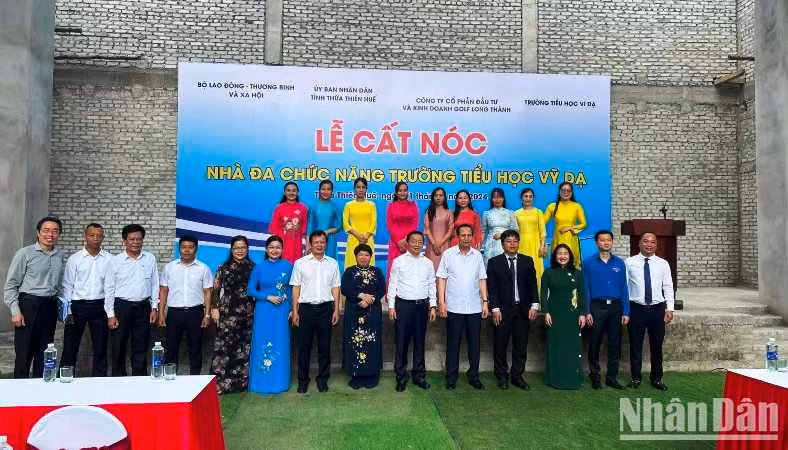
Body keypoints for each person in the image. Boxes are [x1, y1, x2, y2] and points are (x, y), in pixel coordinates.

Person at [4, 216, 65, 378]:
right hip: (28, 307)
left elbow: (58, 286)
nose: (50, 234)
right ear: (38, 233)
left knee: (45, 354)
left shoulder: (59, 255)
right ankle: (20, 395)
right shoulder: (25, 254)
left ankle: (41, 394)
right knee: (24, 354)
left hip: (49, 308)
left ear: (59, 234)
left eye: (55, 231)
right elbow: (11, 286)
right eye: (46, 230)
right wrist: (15, 311)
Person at [437, 224, 489, 390]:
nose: (466, 238)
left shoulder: (477, 256)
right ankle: (451, 376)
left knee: (474, 344)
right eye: (463, 235)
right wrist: (442, 302)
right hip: (453, 307)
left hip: (474, 307)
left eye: (469, 235)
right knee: (453, 344)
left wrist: (485, 302)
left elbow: (482, 279)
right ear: (457, 237)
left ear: (473, 237)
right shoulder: (448, 254)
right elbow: (442, 279)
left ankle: (473, 375)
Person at [486, 230, 539, 390]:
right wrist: (494, 308)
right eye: (508, 241)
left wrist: (534, 305)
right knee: (500, 344)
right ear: (502, 244)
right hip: (502, 311)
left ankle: (517, 376)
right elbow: (492, 288)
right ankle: (502, 376)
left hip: (522, 310)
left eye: (515, 241)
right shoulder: (494, 262)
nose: (512, 244)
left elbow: (532, 285)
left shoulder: (527, 261)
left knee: (521, 345)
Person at [105, 224, 159, 376]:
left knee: (141, 346)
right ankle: (118, 380)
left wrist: (154, 307)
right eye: (132, 239)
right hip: (122, 307)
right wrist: (110, 314)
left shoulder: (150, 258)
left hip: (143, 307)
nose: (136, 242)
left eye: (139, 239)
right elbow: (109, 288)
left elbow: (155, 283)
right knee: (118, 346)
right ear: (124, 240)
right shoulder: (115, 261)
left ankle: (139, 380)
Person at [290, 230, 341, 393]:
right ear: (310, 245)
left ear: (326, 244)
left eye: (322, 242)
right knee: (304, 347)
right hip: (305, 309)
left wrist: (337, 309)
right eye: (316, 242)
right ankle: (303, 381)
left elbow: (336, 287)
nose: (319, 245)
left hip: (326, 309)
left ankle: (322, 379)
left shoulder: (332, 263)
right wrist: (295, 311)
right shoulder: (300, 263)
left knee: (324, 347)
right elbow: (296, 287)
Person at [387, 231, 437, 392]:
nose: (417, 244)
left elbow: (432, 284)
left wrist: (433, 306)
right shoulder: (398, 261)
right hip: (403, 306)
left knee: (419, 342)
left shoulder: (428, 263)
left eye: (420, 241)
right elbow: (392, 284)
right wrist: (391, 306)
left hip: (421, 307)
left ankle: (419, 376)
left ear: (423, 244)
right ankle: (401, 377)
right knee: (401, 342)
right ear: (407, 242)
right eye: (413, 241)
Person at [60, 223, 111, 377]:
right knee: (70, 345)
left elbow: (110, 288)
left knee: (101, 346)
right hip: (77, 306)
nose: (96, 239)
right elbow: (67, 285)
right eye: (92, 235)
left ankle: (99, 380)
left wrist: (110, 313)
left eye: (99, 236)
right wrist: (67, 311)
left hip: (99, 306)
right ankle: (65, 377)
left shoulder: (109, 259)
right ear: (85, 236)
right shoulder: (75, 259)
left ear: (103, 238)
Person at [625, 232, 674, 391]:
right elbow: (624, 288)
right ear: (639, 244)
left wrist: (670, 308)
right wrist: (625, 311)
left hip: (657, 309)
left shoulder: (663, 263)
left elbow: (668, 286)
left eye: (652, 242)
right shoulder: (629, 262)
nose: (649, 244)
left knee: (656, 346)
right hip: (636, 308)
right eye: (645, 241)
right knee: (635, 345)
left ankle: (657, 378)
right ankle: (635, 378)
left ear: (656, 245)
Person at [158, 235, 213, 375]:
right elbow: (164, 290)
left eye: (190, 247)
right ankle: (170, 377)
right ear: (179, 249)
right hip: (174, 313)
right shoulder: (170, 267)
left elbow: (208, 292)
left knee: (195, 347)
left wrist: (207, 314)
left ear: (196, 249)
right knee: (171, 347)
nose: (187, 250)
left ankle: (195, 380)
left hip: (195, 312)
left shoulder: (204, 268)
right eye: (183, 247)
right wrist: (161, 312)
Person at [583, 230, 630, 390]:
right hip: (597, 307)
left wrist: (626, 311)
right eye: (602, 240)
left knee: (614, 343)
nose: (606, 243)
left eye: (609, 240)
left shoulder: (619, 263)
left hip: (616, 307)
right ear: (597, 243)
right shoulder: (588, 263)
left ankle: (612, 377)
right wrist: (587, 311)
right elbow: (586, 289)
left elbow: (624, 288)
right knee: (595, 342)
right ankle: (595, 375)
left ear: (612, 242)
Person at [248, 235, 293, 394]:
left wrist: (292, 309)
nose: (275, 250)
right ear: (266, 249)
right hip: (263, 310)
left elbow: (292, 289)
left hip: (281, 311)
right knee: (262, 342)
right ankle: (261, 383)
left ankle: (279, 382)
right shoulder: (259, 267)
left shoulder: (288, 266)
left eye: (278, 247)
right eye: (272, 247)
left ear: (282, 250)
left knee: (280, 342)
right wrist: (267, 297)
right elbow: (251, 290)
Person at [210, 235, 256, 394]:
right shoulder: (223, 267)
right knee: (224, 346)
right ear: (231, 249)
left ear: (247, 249)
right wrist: (214, 308)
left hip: (247, 312)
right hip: (227, 311)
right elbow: (215, 289)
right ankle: (221, 384)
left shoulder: (254, 267)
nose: (240, 251)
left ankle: (241, 384)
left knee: (244, 347)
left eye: (243, 247)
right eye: (237, 248)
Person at [541, 244, 586, 389]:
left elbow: (582, 294)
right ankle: (554, 378)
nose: (562, 256)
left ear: (570, 256)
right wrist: (546, 312)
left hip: (572, 315)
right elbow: (543, 294)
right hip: (554, 315)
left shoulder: (577, 273)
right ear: (555, 256)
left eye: (565, 253)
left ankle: (573, 377)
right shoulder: (548, 272)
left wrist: (582, 314)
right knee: (556, 346)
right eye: (559, 253)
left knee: (572, 347)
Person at [341, 244, 385, 389]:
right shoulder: (349, 271)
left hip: (372, 314)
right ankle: (356, 375)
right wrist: (361, 296)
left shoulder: (377, 271)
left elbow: (382, 289)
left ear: (370, 257)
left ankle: (372, 375)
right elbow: (345, 288)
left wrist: (370, 300)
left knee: (372, 342)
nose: (364, 257)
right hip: (354, 313)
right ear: (356, 256)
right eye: (361, 254)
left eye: (367, 255)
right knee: (356, 342)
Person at [544, 182, 586, 268]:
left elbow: (584, 224)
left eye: (568, 190)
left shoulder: (577, 206)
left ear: (572, 192)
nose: (566, 192)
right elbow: (542, 222)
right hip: (558, 239)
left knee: (572, 264)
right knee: (557, 264)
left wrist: (569, 228)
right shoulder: (552, 206)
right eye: (563, 190)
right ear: (559, 192)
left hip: (571, 239)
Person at [385, 182, 419, 286]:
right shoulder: (391, 206)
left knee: (409, 269)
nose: (402, 192)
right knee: (394, 269)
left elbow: (415, 223)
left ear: (408, 192)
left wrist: (406, 240)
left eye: (405, 190)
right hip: (395, 243)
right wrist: (398, 242)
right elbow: (389, 225)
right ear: (396, 192)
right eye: (400, 190)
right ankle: (392, 297)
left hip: (410, 242)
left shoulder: (413, 205)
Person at [514, 188, 547, 288]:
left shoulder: (538, 212)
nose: (528, 198)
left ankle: (538, 300)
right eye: (526, 196)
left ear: (533, 198)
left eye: (530, 196)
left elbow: (543, 232)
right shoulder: (516, 213)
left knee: (537, 272)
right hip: (521, 246)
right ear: (521, 198)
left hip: (536, 247)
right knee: (522, 271)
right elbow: (516, 232)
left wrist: (542, 246)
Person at [269, 181, 308, 263]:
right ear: (284, 192)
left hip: (297, 248)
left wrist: (307, 248)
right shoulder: (279, 208)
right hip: (282, 247)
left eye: (294, 190)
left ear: (298, 193)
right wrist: (275, 249)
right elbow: (274, 232)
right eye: (288, 190)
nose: (291, 193)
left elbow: (306, 232)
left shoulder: (303, 208)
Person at [343, 177, 377, 269]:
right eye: (358, 187)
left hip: (368, 239)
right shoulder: (348, 205)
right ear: (354, 189)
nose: (361, 190)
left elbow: (373, 223)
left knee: (368, 267)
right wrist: (357, 235)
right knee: (352, 265)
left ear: (366, 189)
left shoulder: (371, 205)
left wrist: (366, 236)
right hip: (353, 239)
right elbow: (345, 224)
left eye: (363, 187)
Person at [481, 188, 518, 265]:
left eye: (499, 197)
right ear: (491, 199)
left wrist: (502, 235)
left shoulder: (510, 213)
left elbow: (515, 231)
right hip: (491, 246)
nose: (497, 200)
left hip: (507, 244)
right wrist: (481, 247)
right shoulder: (486, 213)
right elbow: (483, 231)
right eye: (495, 197)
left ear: (503, 198)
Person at [307, 179, 341, 259]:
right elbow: (309, 226)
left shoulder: (335, 207)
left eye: (328, 189)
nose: (326, 192)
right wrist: (308, 245)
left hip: (330, 240)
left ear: (332, 191)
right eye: (323, 189)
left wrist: (328, 231)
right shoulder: (313, 207)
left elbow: (340, 225)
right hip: (315, 239)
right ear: (319, 190)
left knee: (330, 261)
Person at [423, 187, 454, 271]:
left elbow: (450, 230)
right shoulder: (428, 211)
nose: (438, 197)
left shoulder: (449, 212)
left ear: (444, 197)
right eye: (436, 195)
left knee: (444, 270)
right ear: (433, 197)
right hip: (431, 246)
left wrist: (440, 243)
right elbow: (427, 229)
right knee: (431, 270)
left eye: (441, 195)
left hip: (445, 245)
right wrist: (434, 244)